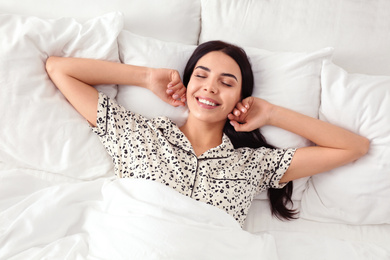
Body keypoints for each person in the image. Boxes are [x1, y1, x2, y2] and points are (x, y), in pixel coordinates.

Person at [45, 41, 369, 227]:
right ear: (187, 87)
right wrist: (145, 77)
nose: (211, 87)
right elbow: (60, 69)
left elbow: (353, 147)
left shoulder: (254, 164)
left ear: (240, 98)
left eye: (227, 82)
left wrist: (272, 113)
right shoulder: (137, 133)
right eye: (201, 75)